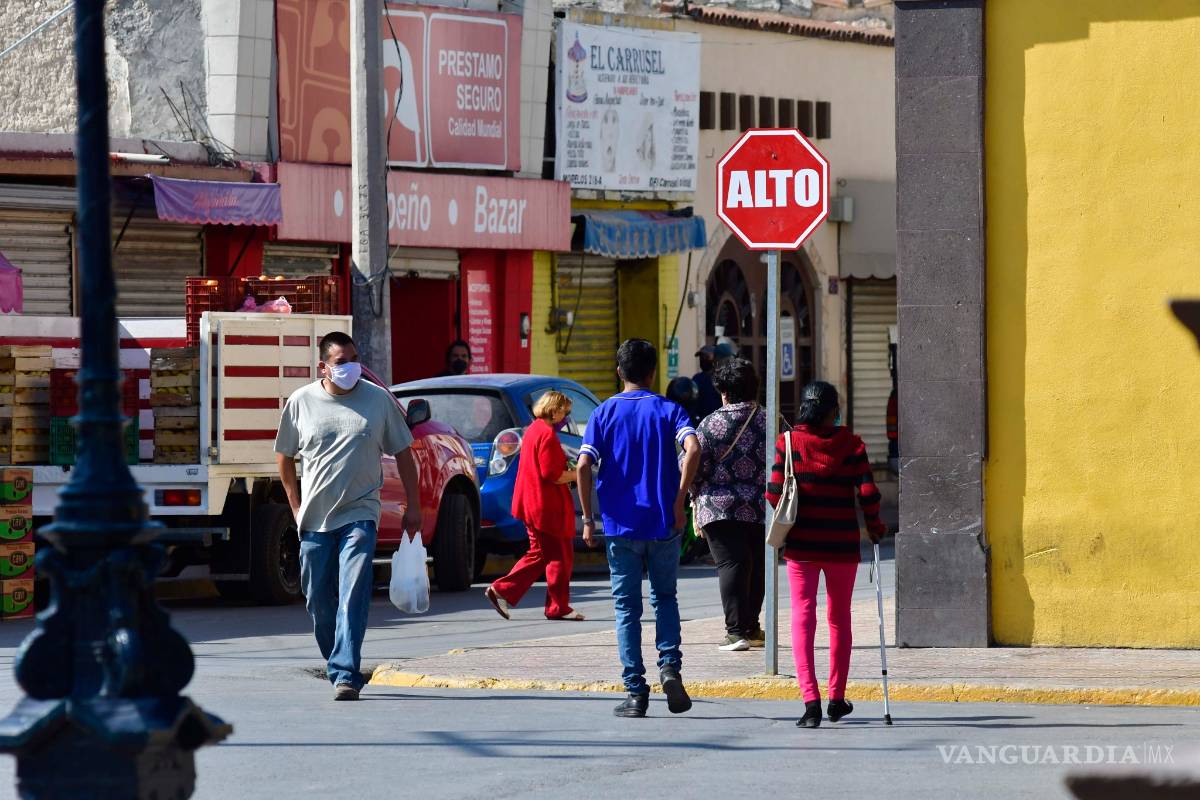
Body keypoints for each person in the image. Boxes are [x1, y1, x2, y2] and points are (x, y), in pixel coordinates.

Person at [275, 331, 422, 701]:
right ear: (323, 366)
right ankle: (336, 658)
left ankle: (345, 672)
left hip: (361, 512)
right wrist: (295, 507)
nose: (351, 367)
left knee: (354, 591)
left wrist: (414, 506)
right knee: (318, 600)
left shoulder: (377, 401)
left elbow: (404, 453)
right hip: (315, 519)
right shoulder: (301, 402)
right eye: (342, 362)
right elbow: (284, 457)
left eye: (354, 359)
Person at [577, 339, 701, 719]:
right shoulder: (669, 410)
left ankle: (635, 691)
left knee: (626, 608)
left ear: (619, 372)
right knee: (665, 597)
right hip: (664, 522)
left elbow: (583, 466)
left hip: (619, 526)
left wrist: (587, 518)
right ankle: (670, 668)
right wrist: (679, 498)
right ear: (652, 373)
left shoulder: (603, 414)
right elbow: (693, 448)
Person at [766, 381, 886, 728]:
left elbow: (774, 493)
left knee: (803, 617)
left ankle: (810, 702)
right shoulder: (852, 444)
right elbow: (868, 493)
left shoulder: (787, 443)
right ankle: (836, 698)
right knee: (839, 619)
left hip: (802, 546)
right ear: (834, 410)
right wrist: (875, 526)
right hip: (842, 546)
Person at [485, 390, 583, 621]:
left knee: (541, 553)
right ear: (556, 410)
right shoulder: (547, 434)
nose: (566, 417)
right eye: (565, 412)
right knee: (558, 555)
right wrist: (578, 473)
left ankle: (507, 592)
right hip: (545, 506)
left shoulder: (533, 431)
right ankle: (554, 606)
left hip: (532, 503)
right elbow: (553, 474)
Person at [691, 358, 767, 652]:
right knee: (757, 564)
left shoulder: (710, 423)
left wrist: (695, 493)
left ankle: (735, 632)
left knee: (731, 564)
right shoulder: (770, 420)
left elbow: (695, 466)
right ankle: (751, 626)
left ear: (723, 390)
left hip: (719, 508)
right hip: (762, 506)